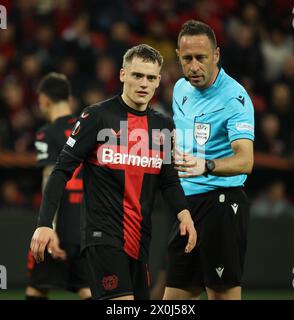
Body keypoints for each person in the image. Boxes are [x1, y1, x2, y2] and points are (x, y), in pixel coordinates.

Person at [30, 44, 197, 300]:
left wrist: (184, 215)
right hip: (102, 236)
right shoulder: (96, 117)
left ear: (158, 82)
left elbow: (168, 179)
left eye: (151, 78)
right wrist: (44, 224)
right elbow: (61, 170)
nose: (144, 83)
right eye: (137, 75)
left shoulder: (162, 126)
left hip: (140, 241)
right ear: (122, 75)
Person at [163, 20, 255, 300]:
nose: (194, 66)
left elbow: (245, 160)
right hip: (185, 207)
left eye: (201, 58)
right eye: (187, 58)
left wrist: (207, 165)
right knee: (173, 299)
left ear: (216, 55)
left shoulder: (234, 98)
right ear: (178, 56)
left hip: (221, 204)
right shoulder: (180, 89)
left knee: (222, 295)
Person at [26, 73, 91, 300]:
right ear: (69, 98)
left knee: (37, 287)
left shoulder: (47, 133)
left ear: (44, 100)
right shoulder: (87, 127)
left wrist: (49, 226)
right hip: (86, 222)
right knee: (86, 288)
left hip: (59, 222)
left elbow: (49, 179)